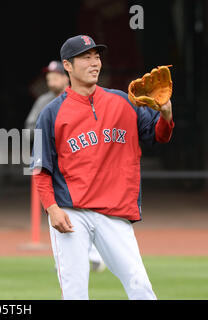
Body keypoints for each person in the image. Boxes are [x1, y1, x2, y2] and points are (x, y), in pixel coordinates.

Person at [32, 35, 174, 300]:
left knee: (140, 285)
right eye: (85, 57)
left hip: (114, 212)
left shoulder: (122, 101)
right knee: (75, 293)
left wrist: (166, 115)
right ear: (68, 66)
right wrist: (52, 209)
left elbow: (158, 135)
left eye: (96, 56)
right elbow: (41, 169)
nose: (94, 62)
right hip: (72, 213)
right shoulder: (51, 113)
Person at [26, 60, 106, 272]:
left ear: (65, 76)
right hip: (56, 163)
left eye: (54, 75)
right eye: (49, 76)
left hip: (82, 164)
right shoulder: (44, 101)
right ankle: (64, 261)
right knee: (62, 211)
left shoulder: (82, 97)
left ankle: (96, 256)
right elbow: (30, 127)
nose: (50, 79)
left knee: (91, 208)